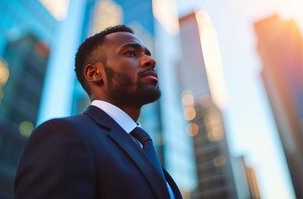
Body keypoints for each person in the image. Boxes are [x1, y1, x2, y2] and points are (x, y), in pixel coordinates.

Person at [14, 25, 182, 199]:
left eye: (148, 54)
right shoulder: (64, 134)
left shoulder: (150, 157)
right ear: (94, 73)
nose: (150, 60)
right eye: (131, 53)